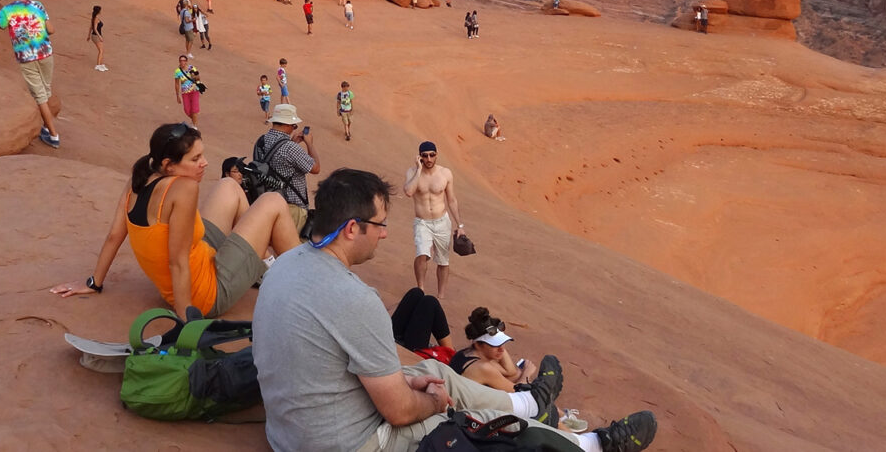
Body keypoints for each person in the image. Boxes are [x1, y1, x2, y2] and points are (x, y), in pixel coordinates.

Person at [252, 168, 657, 452]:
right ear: (353, 228)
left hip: (290, 433)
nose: (385, 233)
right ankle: (590, 445)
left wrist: (422, 389)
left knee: (432, 371)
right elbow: (396, 412)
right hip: (347, 443)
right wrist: (435, 403)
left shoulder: (284, 264)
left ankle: (529, 403)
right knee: (477, 427)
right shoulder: (353, 298)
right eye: (380, 224)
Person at [49, 123, 303, 319]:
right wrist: (186, 320)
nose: (204, 163)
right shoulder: (183, 189)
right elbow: (178, 262)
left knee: (229, 185)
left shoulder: (139, 179)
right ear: (169, 165)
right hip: (206, 294)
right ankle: (308, 285)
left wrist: (94, 283)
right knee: (273, 202)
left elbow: (115, 235)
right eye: (195, 159)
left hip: (201, 257)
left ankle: (260, 266)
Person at [0, 0, 59, 148]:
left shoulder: (7, 11)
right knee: (45, 90)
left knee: (39, 96)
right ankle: (47, 126)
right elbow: (51, 29)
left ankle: (53, 134)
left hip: (27, 58)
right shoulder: (38, 6)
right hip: (46, 53)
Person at [403, 141, 465, 298]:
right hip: (422, 222)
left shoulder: (445, 173)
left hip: (441, 222)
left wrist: (460, 225)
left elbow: (451, 200)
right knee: (422, 254)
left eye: (432, 155)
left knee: (443, 260)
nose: (429, 159)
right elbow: (409, 192)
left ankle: (441, 296)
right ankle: (420, 290)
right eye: (425, 156)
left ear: (437, 155)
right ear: (420, 157)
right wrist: (418, 170)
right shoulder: (412, 172)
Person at [253, 104, 320, 233]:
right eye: (294, 125)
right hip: (292, 208)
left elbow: (276, 161)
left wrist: (293, 142)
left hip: (267, 203)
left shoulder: (261, 141)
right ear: (288, 125)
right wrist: (309, 144)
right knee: (291, 248)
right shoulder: (290, 148)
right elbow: (315, 168)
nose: (294, 128)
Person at [449, 308, 539, 392]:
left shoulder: (468, 353)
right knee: (527, 385)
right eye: (495, 345)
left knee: (518, 375)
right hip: (464, 407)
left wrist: (497, 343)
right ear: (478, 345)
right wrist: (527, 373)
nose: (502, 349)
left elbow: (510, 372)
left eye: (502, 343)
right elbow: (517, 391)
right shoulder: (483, 367)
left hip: (465, 396)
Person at [391, 287, 454, 355]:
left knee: (416, 294)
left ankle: (450, 353)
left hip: (390, 341)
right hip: (411, 355)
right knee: (429, 302)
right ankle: (450, 355)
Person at [174, 54, 202, 127]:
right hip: (185, 93)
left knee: (194, 109)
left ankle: (195, 126)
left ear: (186, 61)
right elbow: (177, 84)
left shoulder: (192, 68)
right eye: (181, 61)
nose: (182, 62)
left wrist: (194, 76)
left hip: (194, 90)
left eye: (184, 60)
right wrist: (177, 96)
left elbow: (198, 78)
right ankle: (194, 120)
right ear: (179, 62)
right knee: (187, 110)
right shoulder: (177, 71)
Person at [87, 5, 106, 71]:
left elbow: (90, 27)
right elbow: (94, 29)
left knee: (102, 50)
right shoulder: (96, 19)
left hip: (95, 36)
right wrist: (99, 36)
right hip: (96, 36)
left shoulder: (94, 18)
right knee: (101, 50)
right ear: (98, 11)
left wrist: (88, 36)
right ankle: (98, 65)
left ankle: (101, 64)